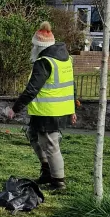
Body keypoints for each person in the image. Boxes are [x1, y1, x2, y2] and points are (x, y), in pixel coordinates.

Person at [7, 20, 76, 192]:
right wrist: (73, 108)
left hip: (49, 111)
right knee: (33, 135)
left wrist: (14, 109)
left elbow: (32, 90)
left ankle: (58, 182)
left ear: (38, 46)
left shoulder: (44, 62)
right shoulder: (64, 59)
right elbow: (71, 85)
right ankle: (46, 171)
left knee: (51, 145)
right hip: (56, 110)